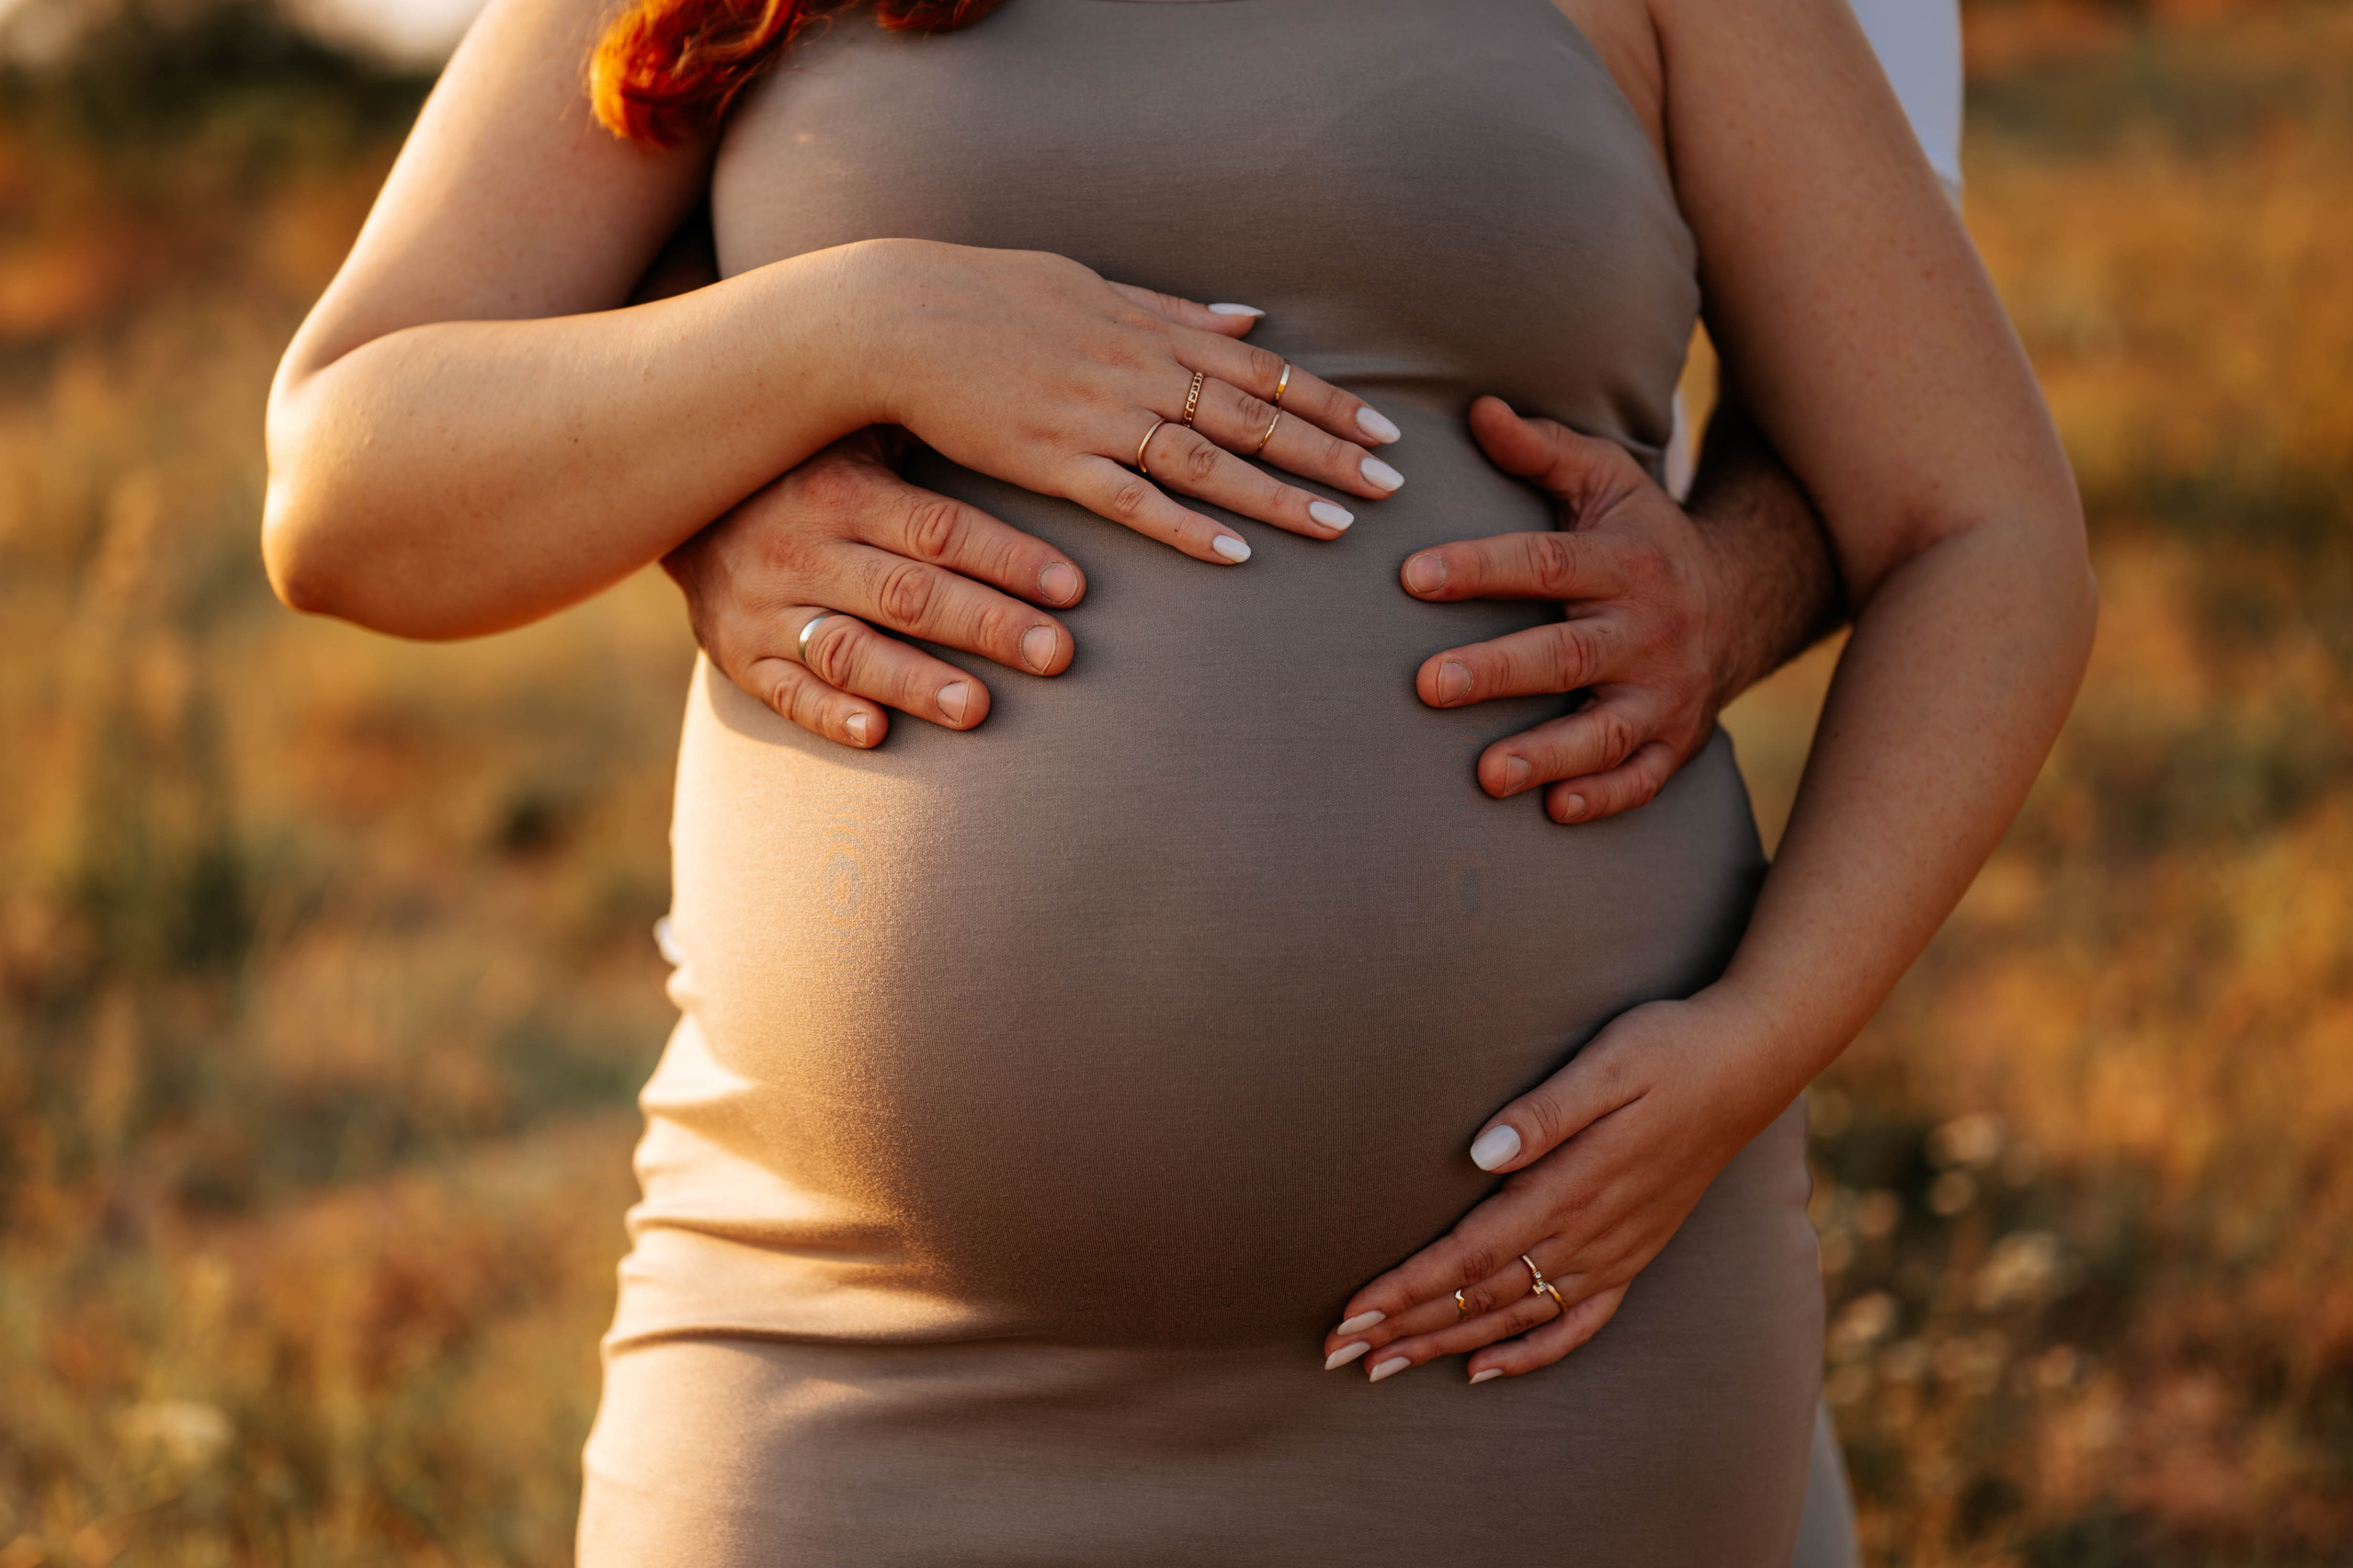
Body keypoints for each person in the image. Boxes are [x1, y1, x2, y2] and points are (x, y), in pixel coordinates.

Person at [260, 0, 2090, 1559]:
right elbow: (347, 486)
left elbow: (1976, 523)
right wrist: (847, 328)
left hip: (1544, 1338)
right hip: (841, 1353)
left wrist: (1757, 1038)